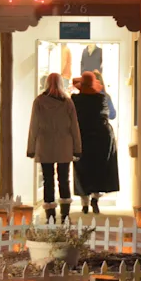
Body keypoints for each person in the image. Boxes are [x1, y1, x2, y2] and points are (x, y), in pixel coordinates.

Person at [27, 73, 83, 224]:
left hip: (44, 145)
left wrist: (31, 147)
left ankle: (50, 215)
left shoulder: (39, 101)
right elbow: (74, 127)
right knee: (64, 179)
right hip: (64, 144)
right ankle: (65, 215)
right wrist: (77, 148)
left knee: (47, 180)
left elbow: (34, 126)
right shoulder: (67, 102)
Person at [72, 71, 120, 214]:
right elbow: (112, 114)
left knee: (82, 169)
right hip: (102, 137)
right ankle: (95, 199)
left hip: (83, 136)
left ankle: (84, 203)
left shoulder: (75, 99)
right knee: (100, 169)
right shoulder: (102, 98)